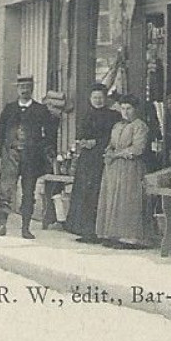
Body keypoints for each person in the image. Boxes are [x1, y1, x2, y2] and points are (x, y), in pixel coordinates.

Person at [0, 76, 59, 239]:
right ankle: (1, 225)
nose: (24, 90)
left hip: (31, 157)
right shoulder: (9, 109)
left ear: (32, 88)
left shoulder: (41, 110)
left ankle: (25, 228)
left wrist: (43, 150)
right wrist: (5, 151)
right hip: (11, 155)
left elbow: (50, 135)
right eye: (21, 87)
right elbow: (0, 133)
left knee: (28, 192)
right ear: (17, 89)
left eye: (27, 86)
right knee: (5, 191)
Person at [66, 84, 121, 242]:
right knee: (83, 192)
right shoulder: (87, 114)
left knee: (96, 192)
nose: (98, 100)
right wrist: (83, 141)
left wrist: (96, 142)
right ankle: (83, 230)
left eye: (101, 97)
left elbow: (112, 137)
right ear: (90, 99)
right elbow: (81, 132)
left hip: (101, 158)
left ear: (106, 99)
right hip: (86, 159)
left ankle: (97, 231)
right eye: (95, 98)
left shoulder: (112, 116)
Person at [95, 94, 150, 245]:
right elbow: (112, 144)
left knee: (127, 199)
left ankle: (129, 237)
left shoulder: (139, 126)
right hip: (114, 168)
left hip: (130, 168)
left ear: (135, 109)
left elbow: (138, 148)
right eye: (123, 108)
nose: (125, 112)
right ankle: (113, 234)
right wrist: (108, 152)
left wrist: (116, 155)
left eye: (129, 108)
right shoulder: (117, 126)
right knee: (113, 198)